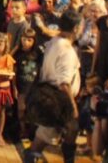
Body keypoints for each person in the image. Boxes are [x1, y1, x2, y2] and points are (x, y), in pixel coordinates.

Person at [23, 9, 83, 163]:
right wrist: (73, 107)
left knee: (72, 129)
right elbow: (64, 83)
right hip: (57, 101)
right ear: (76, 28)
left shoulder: (53, 42)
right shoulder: (67, 50)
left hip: (48, 95)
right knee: (43, 137)